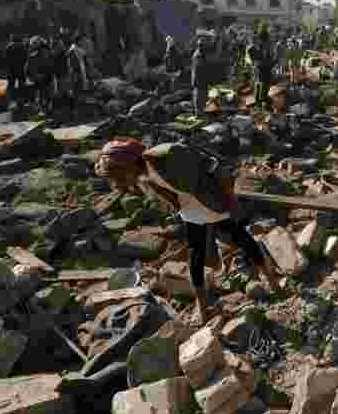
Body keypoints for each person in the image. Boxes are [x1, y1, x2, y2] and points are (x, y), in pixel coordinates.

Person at [95, 138, 280, 323]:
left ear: (128, 165)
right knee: (196, 258)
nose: (121, 181)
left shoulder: (168, 157)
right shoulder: (142, 173)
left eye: (119, 176)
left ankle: (273, 283)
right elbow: (169, 192)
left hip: (213, 203)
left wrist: (227, 199)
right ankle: (202, 306)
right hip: (192, 211)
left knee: (242, 240)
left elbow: (212, 167)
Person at [248, 31, 274, 110]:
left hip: (265, 75)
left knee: (262, 97)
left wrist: (268, 62)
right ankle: (260, 111)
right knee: (257, 98)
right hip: (258, 76)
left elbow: (269, 61)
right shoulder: (252, 49)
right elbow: (253, 60)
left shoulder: (266, 48)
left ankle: (270, 107)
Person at [5, 36, 27, 100]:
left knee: (11, 84)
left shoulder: (9, 47)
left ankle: (10, 98)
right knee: (21, 84)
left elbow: (6, 58)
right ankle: (21, 97)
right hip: (20, 67)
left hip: (11, 68)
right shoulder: (22, 47)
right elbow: (25, 57)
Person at [191, 41, 209, 115]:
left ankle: (202, 110)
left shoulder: (201, 54)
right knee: (198, 96)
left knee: (203, 95)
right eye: (202, 46)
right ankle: (198, 111)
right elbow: (198, 68)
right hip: (199, 79)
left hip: (202, 78)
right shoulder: (198, 55)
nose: (203, 47)